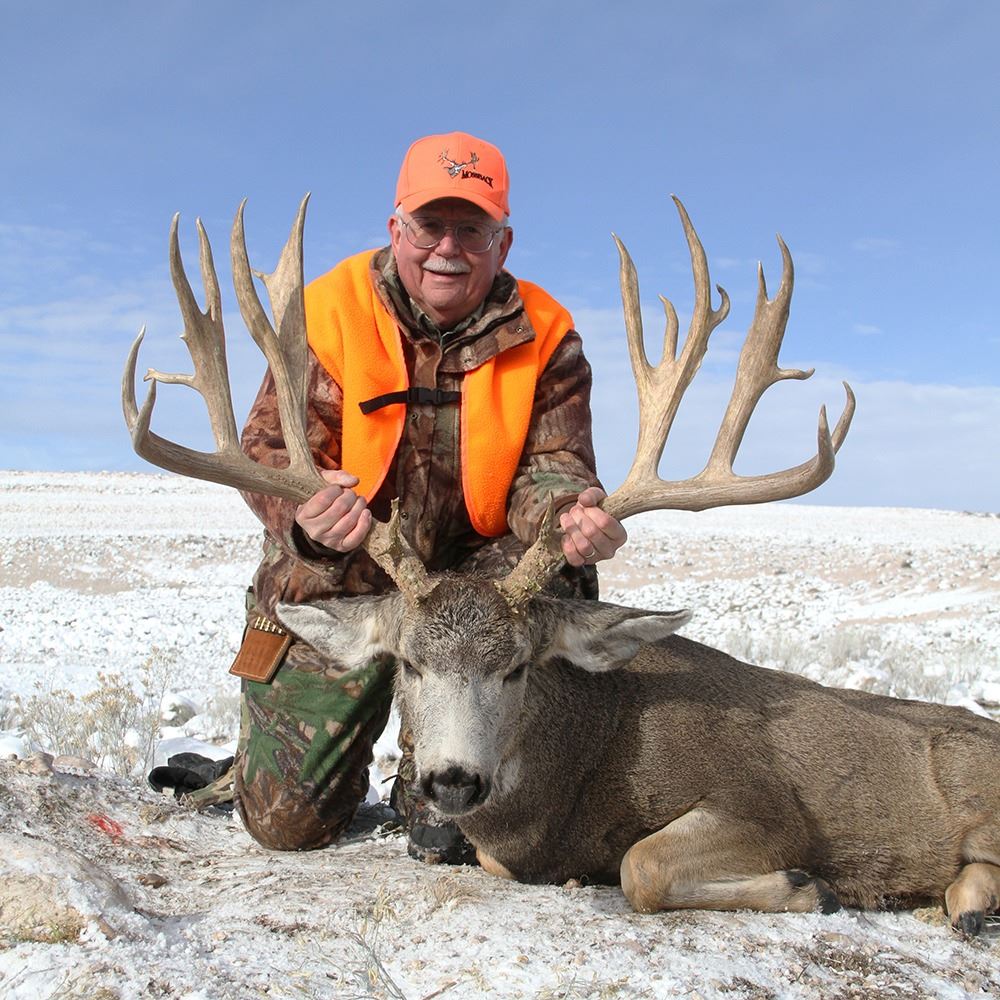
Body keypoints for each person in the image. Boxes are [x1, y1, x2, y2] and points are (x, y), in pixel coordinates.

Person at [225, 131, 627, 857]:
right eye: (429, 224)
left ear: (502, 243)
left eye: (471, 228)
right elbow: (270, 451)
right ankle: (266, 759)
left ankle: (435, 764)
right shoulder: (325, 316)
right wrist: (309, 517)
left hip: (482, 596)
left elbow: (554, 465)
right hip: (342, 574)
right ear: (396, 229)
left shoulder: (547, 337)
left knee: (453, 833)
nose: (448, 247)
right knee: (286, 824)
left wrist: (569, 515)